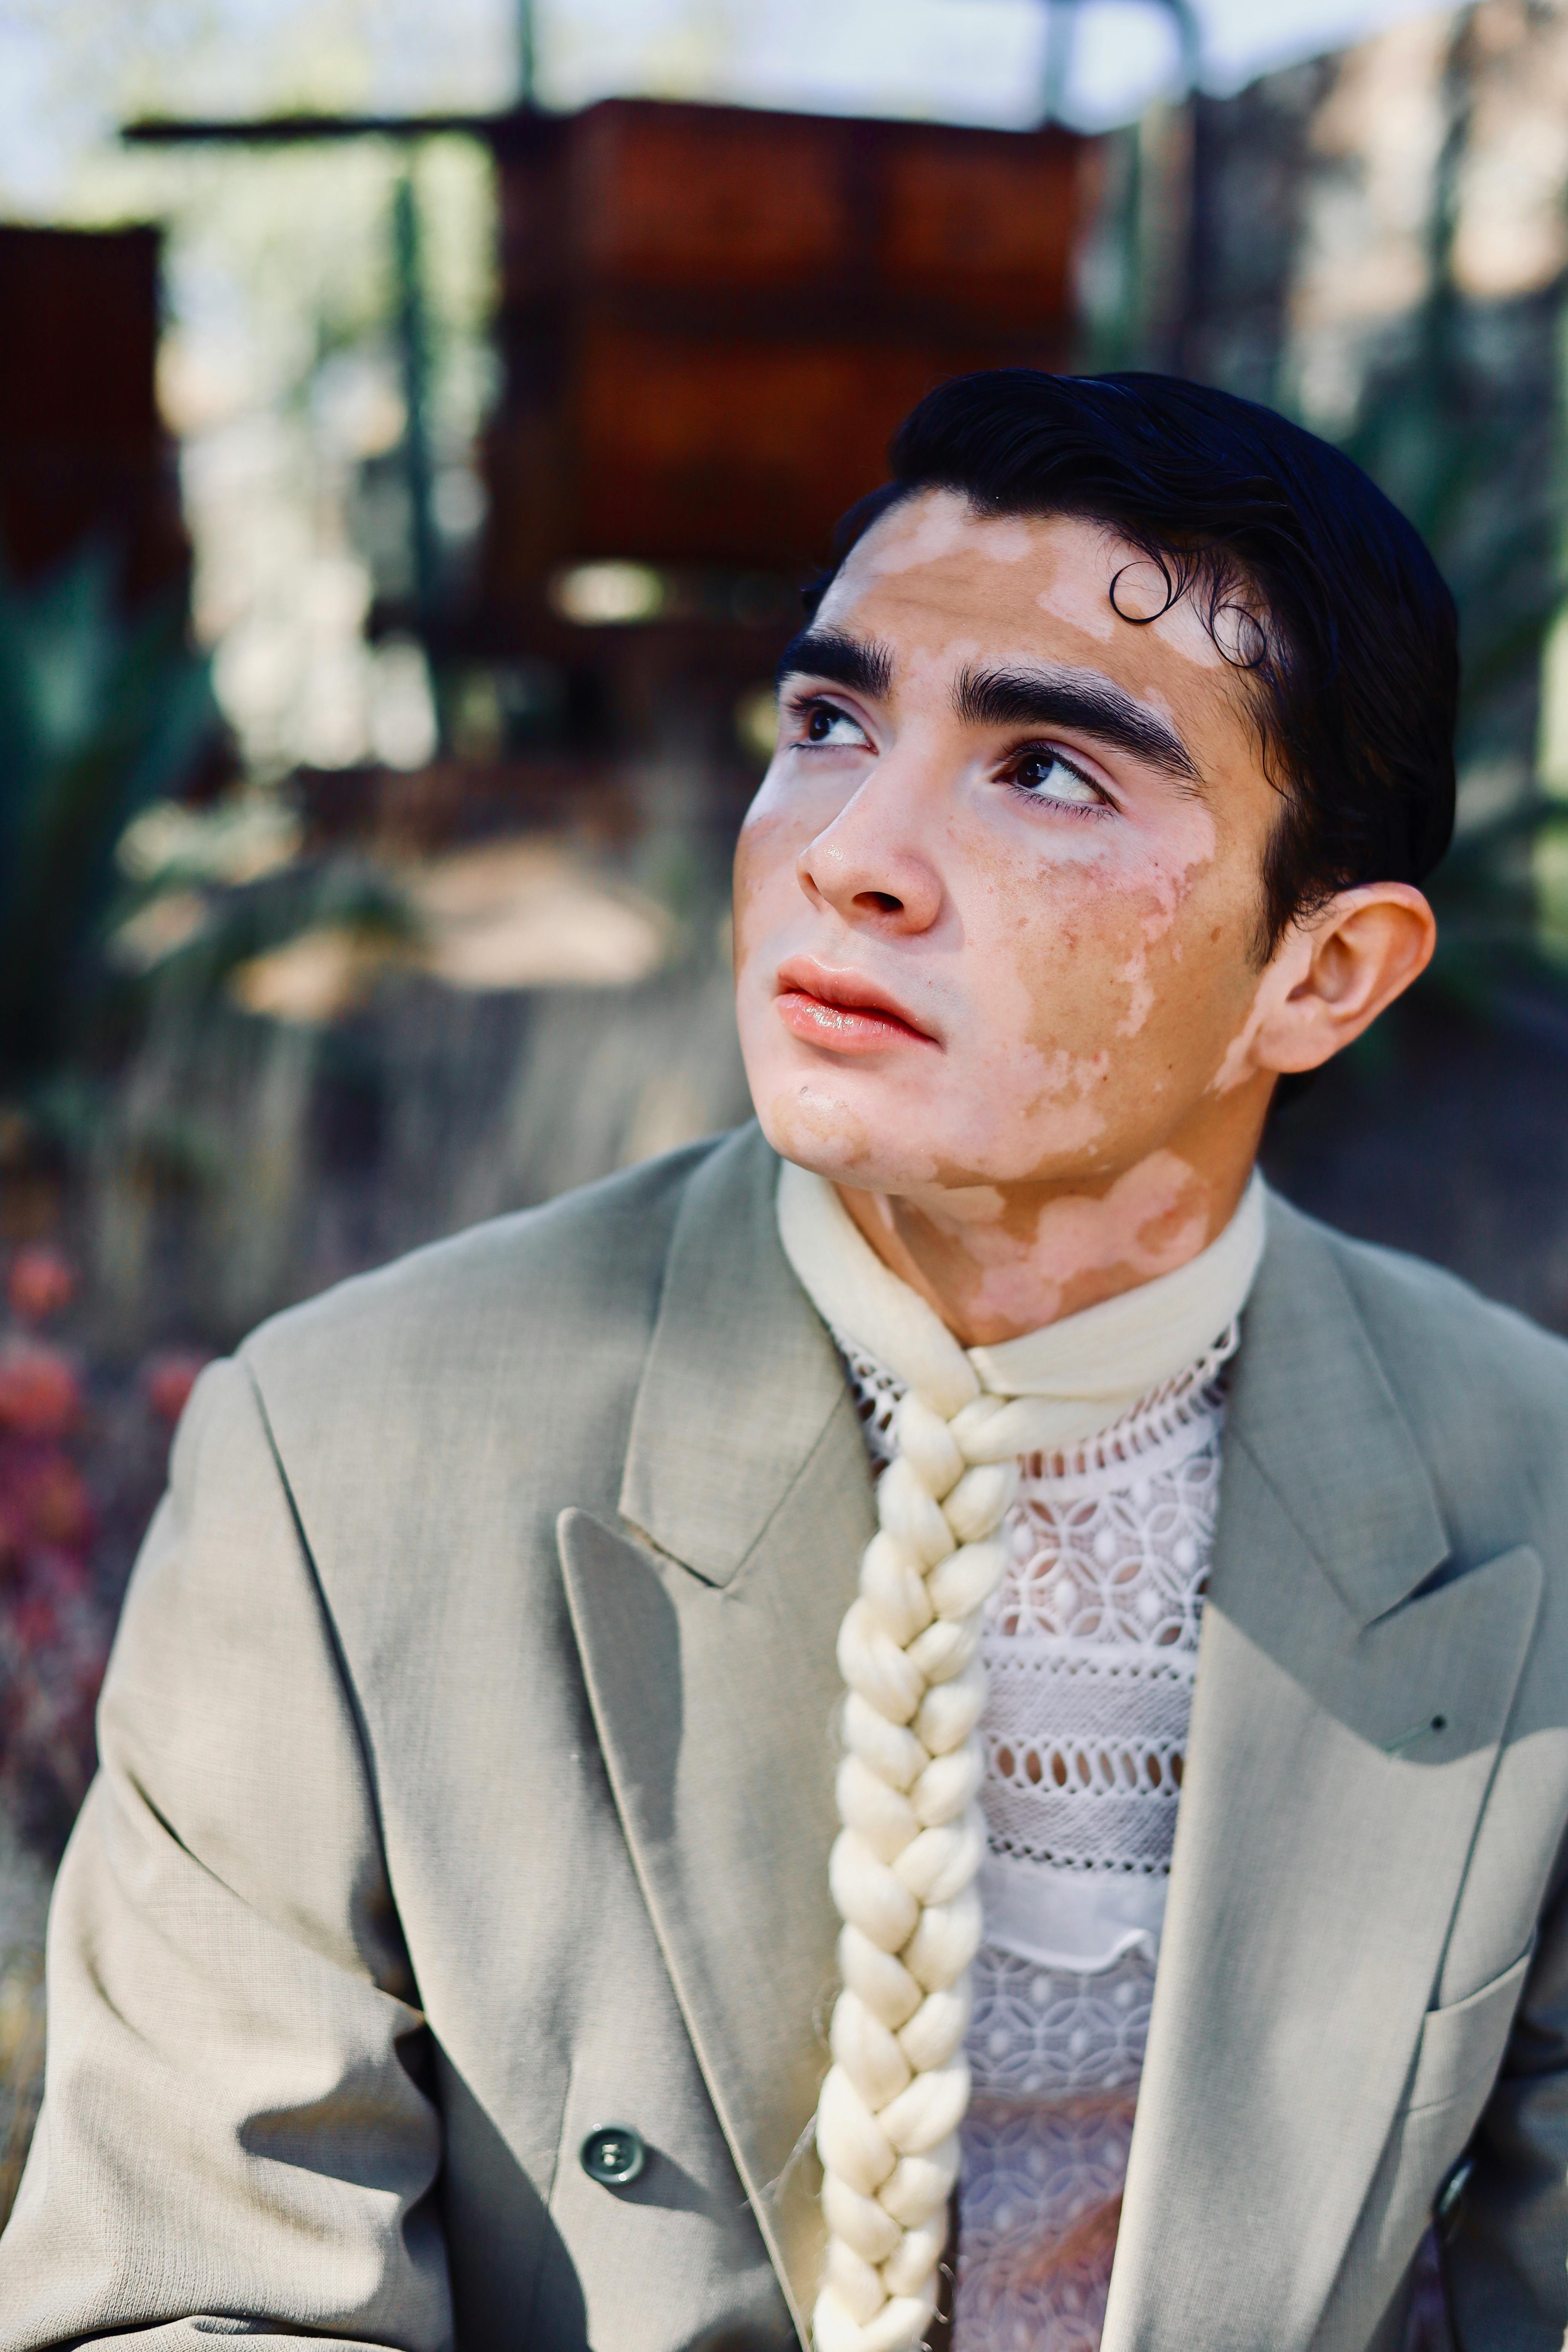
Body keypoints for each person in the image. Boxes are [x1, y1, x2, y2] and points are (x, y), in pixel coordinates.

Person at [3, 369, 1566, 2352]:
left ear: (1320, 972)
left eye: (1048, 774)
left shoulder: (1530, 1502)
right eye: (828, 724)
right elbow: (187, 2296)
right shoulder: (348, 1456)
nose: (849, 853)